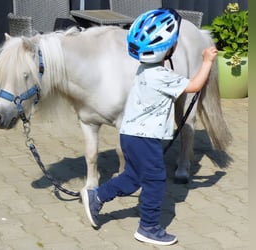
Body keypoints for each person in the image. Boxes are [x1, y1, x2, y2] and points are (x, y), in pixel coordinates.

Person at [81, 8, 218, 246]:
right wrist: (206, 61)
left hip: (130, 135)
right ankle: (149, 227)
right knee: (155, 180)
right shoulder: (162, 76)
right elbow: (195, 85)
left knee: (133, 177)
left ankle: (96, 196)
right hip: (146, 139)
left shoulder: (143, 69)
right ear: (169, 49)